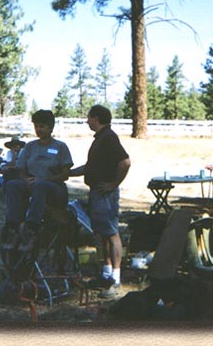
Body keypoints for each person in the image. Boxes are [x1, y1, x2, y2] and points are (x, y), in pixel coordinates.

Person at [69, 105, 131, 299]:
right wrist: (68, 173)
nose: (87, 121)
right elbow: (91, 167)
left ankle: (116, 279)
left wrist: (114, 184)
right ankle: (106, 274)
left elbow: (125, 162)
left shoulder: (109, 138)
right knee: (102, 234)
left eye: (88, 117)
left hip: (105, 193)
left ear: (96, 118)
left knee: (112, 233)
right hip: (96, 191)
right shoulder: (101, 139)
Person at [2, 110, 74, 253]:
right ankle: (14, 227)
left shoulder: (60, 147)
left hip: (55, 188)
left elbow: (65, 174)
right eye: (36, 126)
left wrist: (45, 179)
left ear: (51, 127)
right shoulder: (30, 146)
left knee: (40, 185)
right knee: (12, 185)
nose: (39, 130)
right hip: (34, 184)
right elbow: (21, 168)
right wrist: (25, 179)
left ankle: (32, 230)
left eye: (42, 126)